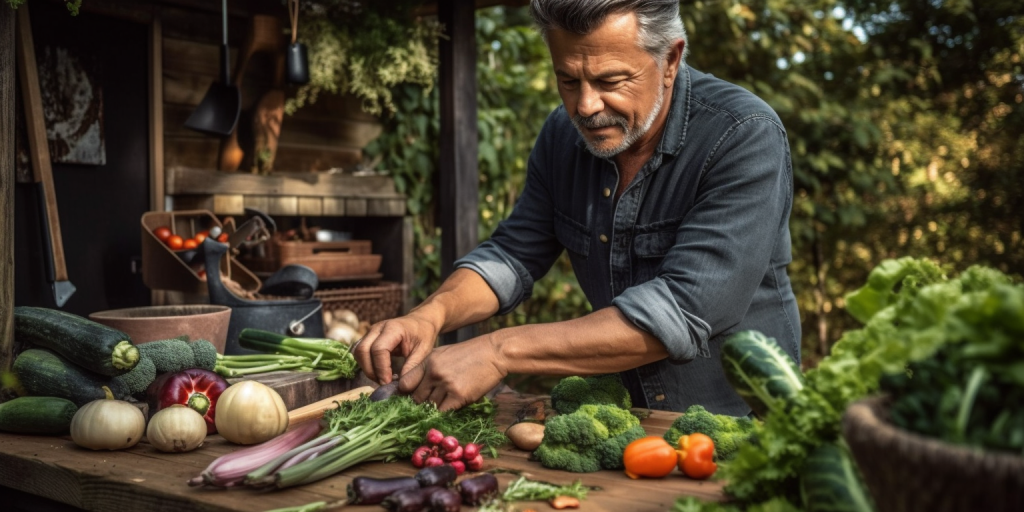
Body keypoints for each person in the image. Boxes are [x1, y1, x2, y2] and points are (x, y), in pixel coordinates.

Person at [353, 0, 801, 416]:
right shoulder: (560, 135)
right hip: (625, 421)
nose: (585, 106)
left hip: (740, 421)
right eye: (568, 80)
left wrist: (496, 350)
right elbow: (512, 254)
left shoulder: (743, 135)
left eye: (610, 81)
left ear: (670, 60)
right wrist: (430, 314)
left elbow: (681, 309)